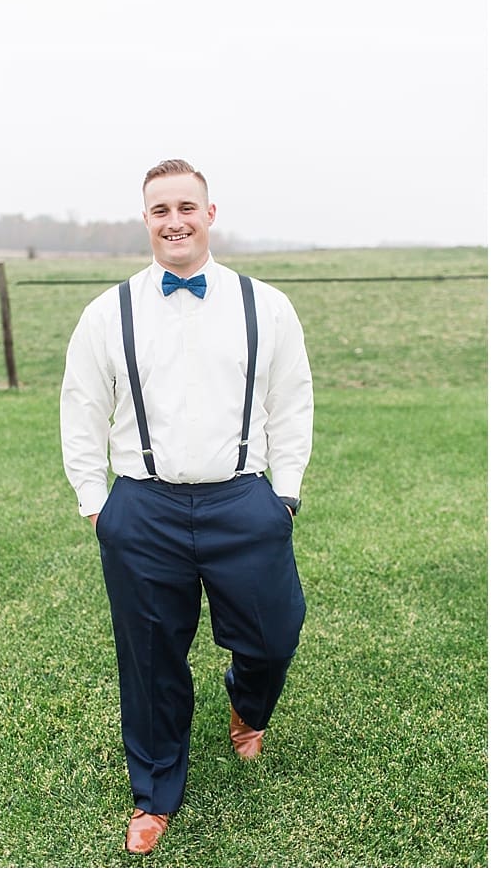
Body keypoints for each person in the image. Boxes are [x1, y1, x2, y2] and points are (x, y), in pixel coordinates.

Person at [60, 159, 313, 855]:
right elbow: (81, 412)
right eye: (160, 209)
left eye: (186, 207)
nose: (174, 221)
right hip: (144, 506)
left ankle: (247, 704)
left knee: (274, 633)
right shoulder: (107, 313)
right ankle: (154, 793)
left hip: (243, 498)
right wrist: (97, 505)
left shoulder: (266, 306)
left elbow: (292, 402)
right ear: (146, 219)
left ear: (209, 213)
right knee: (149, 657)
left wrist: (285, 493)